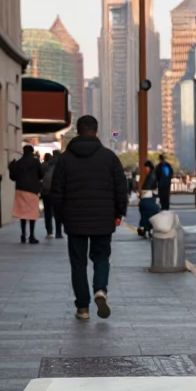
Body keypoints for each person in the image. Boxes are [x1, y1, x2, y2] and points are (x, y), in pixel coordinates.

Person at [51, 115, 128, 321]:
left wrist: (61, 217)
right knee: (101, 258)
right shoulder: (109, 157)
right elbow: (121, 188)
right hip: (103, 219)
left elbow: (56, 192)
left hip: (74, 220)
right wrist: (119, 212)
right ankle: (100, 290)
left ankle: (83, 308)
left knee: (78, 264)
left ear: (77, 130)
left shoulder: (65, 159)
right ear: (96, 131)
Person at [9, 145, 43, 243]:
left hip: (21, 189)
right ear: (32, 151)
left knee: (22, 213)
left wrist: (11, 167)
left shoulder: (18, 163)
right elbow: (41, 175)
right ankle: (32, 235)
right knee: (32, 213)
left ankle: (23, 234)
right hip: (32, 190)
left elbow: (13, 177)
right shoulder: (36, 162)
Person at [40, 153, 63, 240]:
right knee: (58, 212)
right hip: (57, 192)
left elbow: (40, 175)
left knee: (47, 212)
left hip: (46, 192)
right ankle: (58, 232)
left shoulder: (45, 165)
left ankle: (49, 232)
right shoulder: (60, 164)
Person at [137, 160, 160, 236]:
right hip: (152, 198)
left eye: (145, 167)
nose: (145, 169)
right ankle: (148, 228)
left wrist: (141, 192)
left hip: (148, 198)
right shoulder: (153, 174)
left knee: (145, 213)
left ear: (148, 167)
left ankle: (145, 228)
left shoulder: (151, 175)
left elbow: (147, 187)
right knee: (149, 214)